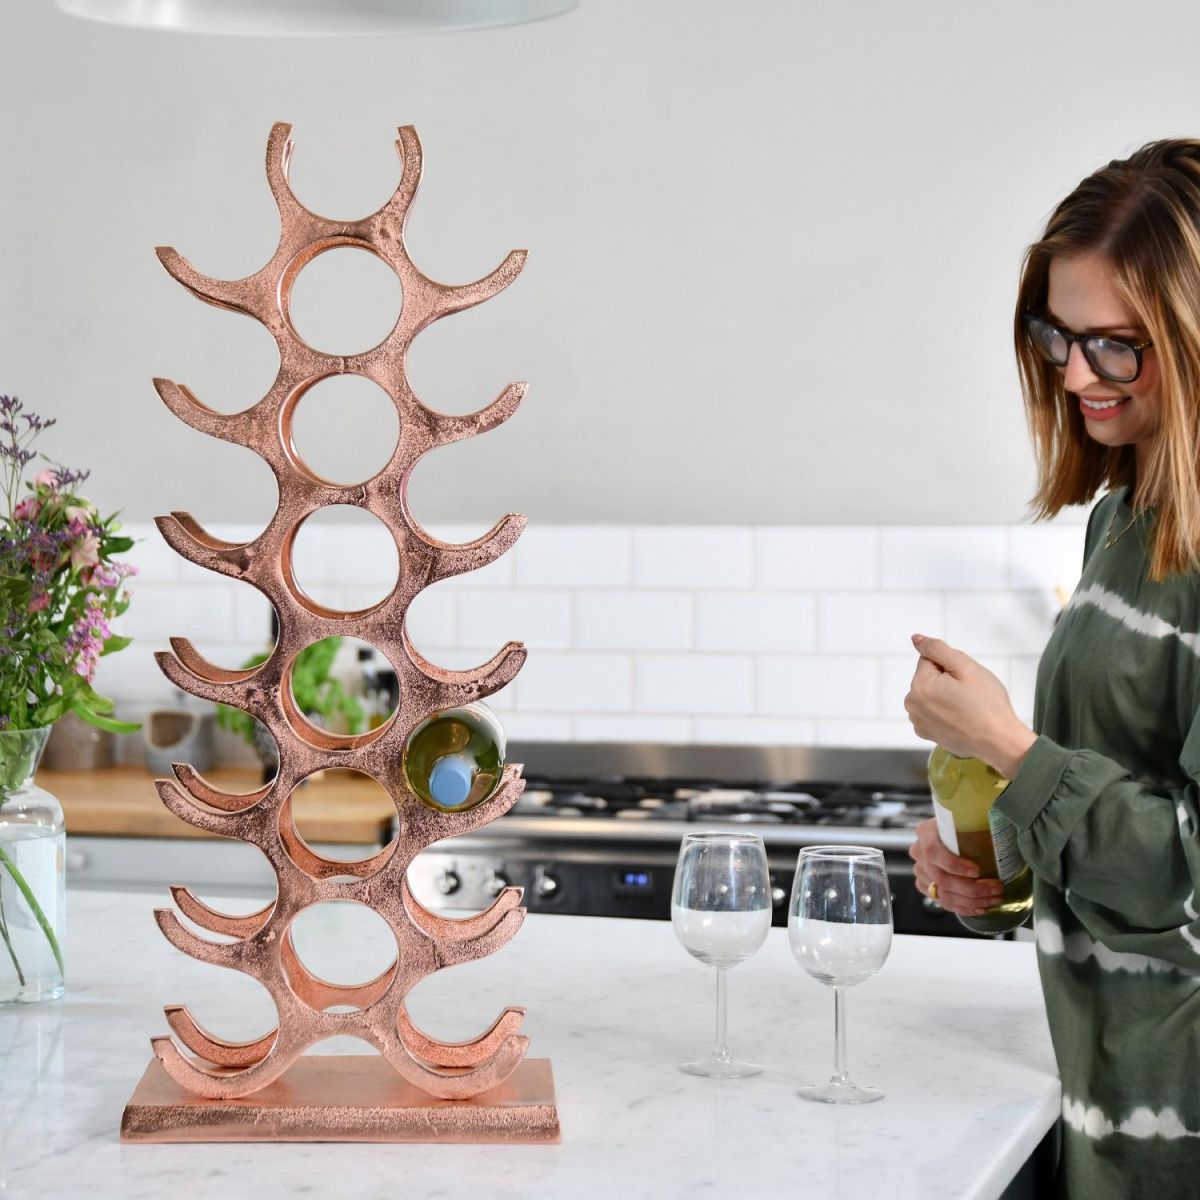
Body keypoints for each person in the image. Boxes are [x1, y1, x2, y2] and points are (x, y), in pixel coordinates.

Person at [905, 139, 1200, 1199]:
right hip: (1104, 1106)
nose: (1073, 374)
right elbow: (1130, 832)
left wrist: (1006, 746)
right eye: (1058, 337)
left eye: (1116, 346)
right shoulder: (1129, 519)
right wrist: (1006, 873)